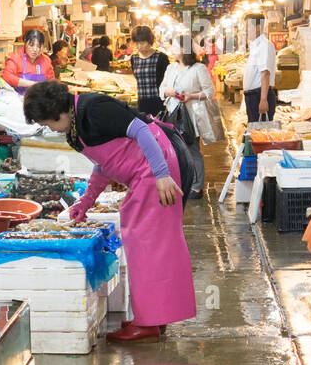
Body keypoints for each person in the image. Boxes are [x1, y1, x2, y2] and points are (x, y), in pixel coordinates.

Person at [24, 80, 196, 343]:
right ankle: (153, 317)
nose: (49, 129)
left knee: (146, 242)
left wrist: (161, 174)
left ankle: (148, 323)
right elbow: (106, 162)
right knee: (149, 242)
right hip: (147, 172)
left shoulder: (94, 109)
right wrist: (85, 202)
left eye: (47, 123)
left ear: (57, 112)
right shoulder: (75, 124)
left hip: (155, 166)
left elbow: (141, 129)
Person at [160, 50, 217, 197]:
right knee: (175, 150)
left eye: (176, 46)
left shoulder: (198, 68)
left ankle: (196, 187)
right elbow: (162, 89)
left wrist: (190, 96)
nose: (171, 49)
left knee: (192, 149)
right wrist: (168, 91)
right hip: (173, 114)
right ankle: (182, 182)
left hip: (191, 116)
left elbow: (209, 92)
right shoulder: (171, 68)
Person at [242, 13, 277, 122]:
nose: (245, 31)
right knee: (255, 132)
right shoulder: (255, 46)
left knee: (260, 133)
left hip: (259, 95)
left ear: (258, 27)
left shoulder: (264, 46)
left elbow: (265, 73)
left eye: (248, 27)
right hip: (253, 96)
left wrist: (263, 99)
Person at [129, 25, 170, 117]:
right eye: (136, 43)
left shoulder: (161, 58)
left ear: (150, 41)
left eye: (142, 42)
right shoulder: (134, 58)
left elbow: (167, 81)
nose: (139, 46)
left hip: (159, 101)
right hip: (142, 102)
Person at [2, 29, 56, 96]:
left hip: (41, 101)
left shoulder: (46, 60)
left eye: (38, 46)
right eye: (31, 45)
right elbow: (6, 77)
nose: (35, 49)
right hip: (19, 101)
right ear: (25, 43)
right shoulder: (16, 58)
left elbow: (52, 81)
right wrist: (33, 84)